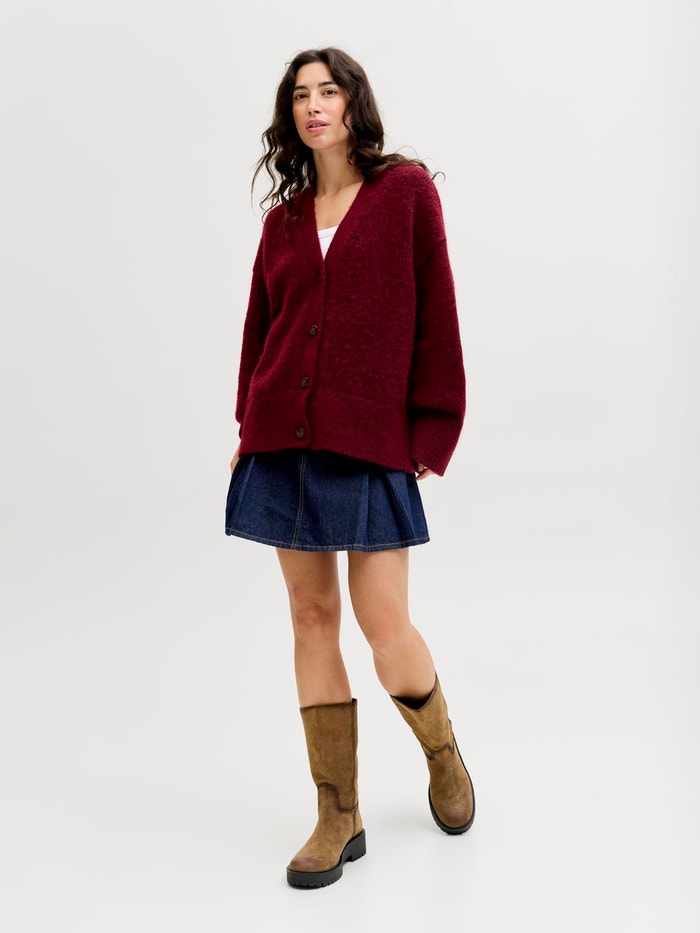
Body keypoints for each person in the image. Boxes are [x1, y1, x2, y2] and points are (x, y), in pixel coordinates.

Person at [225, 47, 475, 888]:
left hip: (368, 440)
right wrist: (247, 423)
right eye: (300, 94)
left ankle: (441, 749)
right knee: (310, 616)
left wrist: (432, 428)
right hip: (282, 439)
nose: (314, 105)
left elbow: (437, 308)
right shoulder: (283, 221)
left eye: (328, 90)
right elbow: (261, 328)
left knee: (385, 624)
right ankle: (339, 810)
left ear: (353, 102)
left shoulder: (405, 193)